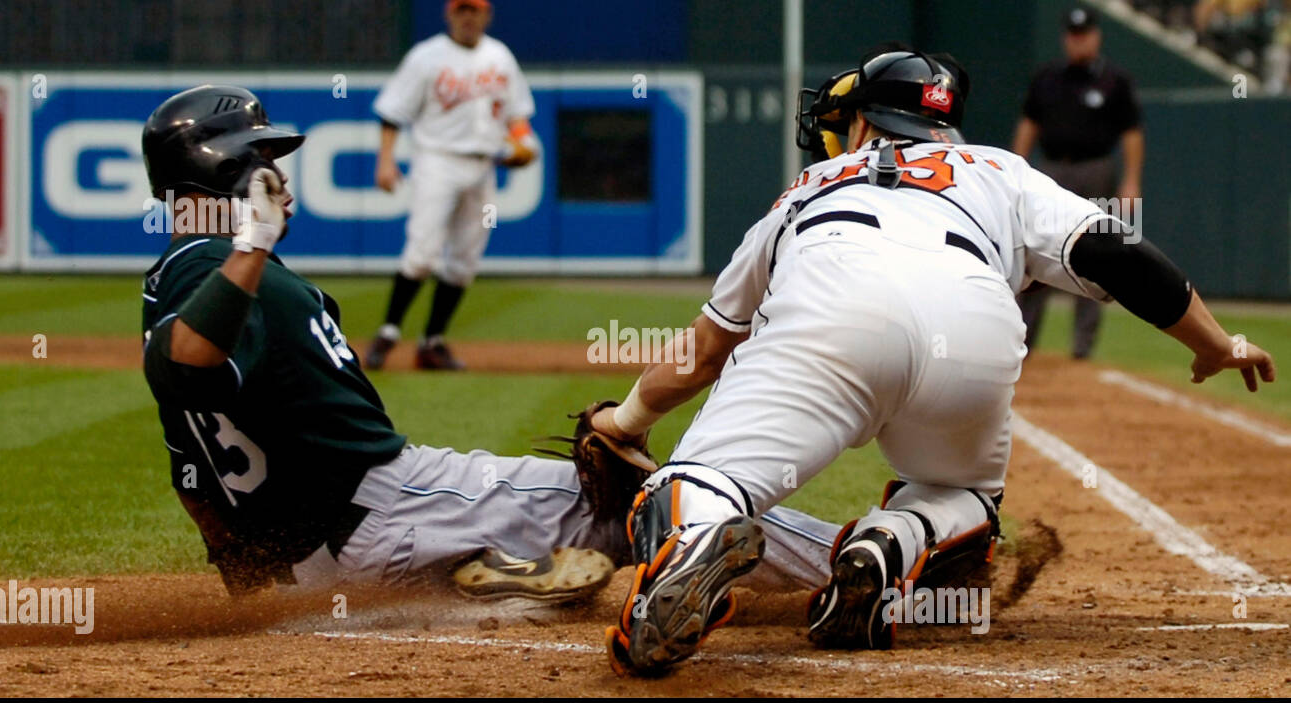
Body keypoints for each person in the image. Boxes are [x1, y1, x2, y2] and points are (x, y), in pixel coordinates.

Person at [589, 45, 1275, 676]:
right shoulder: (999, 169)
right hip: (974, 327)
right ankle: (889, 546)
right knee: (963, 495)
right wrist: (1215, 343)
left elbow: (705, 351)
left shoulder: (809, 184)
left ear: (864, 124)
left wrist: (623, 421)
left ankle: (695, 540)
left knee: (697, 484)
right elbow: (1115, 255)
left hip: (833, 319)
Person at [139, 85, 844, 603]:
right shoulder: (215, 266)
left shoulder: (174, 279)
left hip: (326, 571)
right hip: (396, 505)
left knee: (551, 546)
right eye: (261, 158)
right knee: (657, 501)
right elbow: (187, 366)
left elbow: (192, 474)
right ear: (222, 170)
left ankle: (494, 589)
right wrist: (252, 242)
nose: (280, 176)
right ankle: (873, 569)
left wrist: (257, 574)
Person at [364, 0, 538, 371]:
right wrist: (385, 160)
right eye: (462, 10)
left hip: (485, 165)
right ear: (449, 14)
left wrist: (523, 143)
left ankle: (432, 342)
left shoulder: (501, 56)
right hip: (437, 161)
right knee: (422, 253)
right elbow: (392, 112)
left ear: (486, 15)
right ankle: (388, 332)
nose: (468, 17)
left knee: (463, 262)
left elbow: (517, 115)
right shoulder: (426, 57)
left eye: (474, 10)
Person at [1012, 6, 1144, 359]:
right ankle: (1024, 344)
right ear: (1064, 38)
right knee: (1036, 254)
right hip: (1052, 171)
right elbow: (1029, 123)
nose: (1078, 41)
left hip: (1096, 170)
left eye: (1084, 34)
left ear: (1096, 36)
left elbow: (1131, 133)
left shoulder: (1115, 80)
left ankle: (1082, 350)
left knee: (1099, 256)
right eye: (1072, 35)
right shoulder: (1047, 78)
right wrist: (1017, 168)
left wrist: (1131, 181)